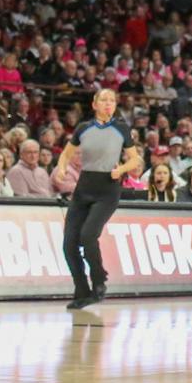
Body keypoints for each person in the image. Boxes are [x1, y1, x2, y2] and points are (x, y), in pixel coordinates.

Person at [53, 88, 139, 309]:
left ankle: (99, 280)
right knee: (68, 243)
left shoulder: (121, 128)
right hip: (84, 187)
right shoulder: (83, 128)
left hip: (108, 189)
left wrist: (121, 171)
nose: (108, 103)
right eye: (104, 100)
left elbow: (135, 159)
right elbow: (66, 153)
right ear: (94, 104)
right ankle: (82, 290)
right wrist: (61, 168)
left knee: (88, 236)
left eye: (112, 100)